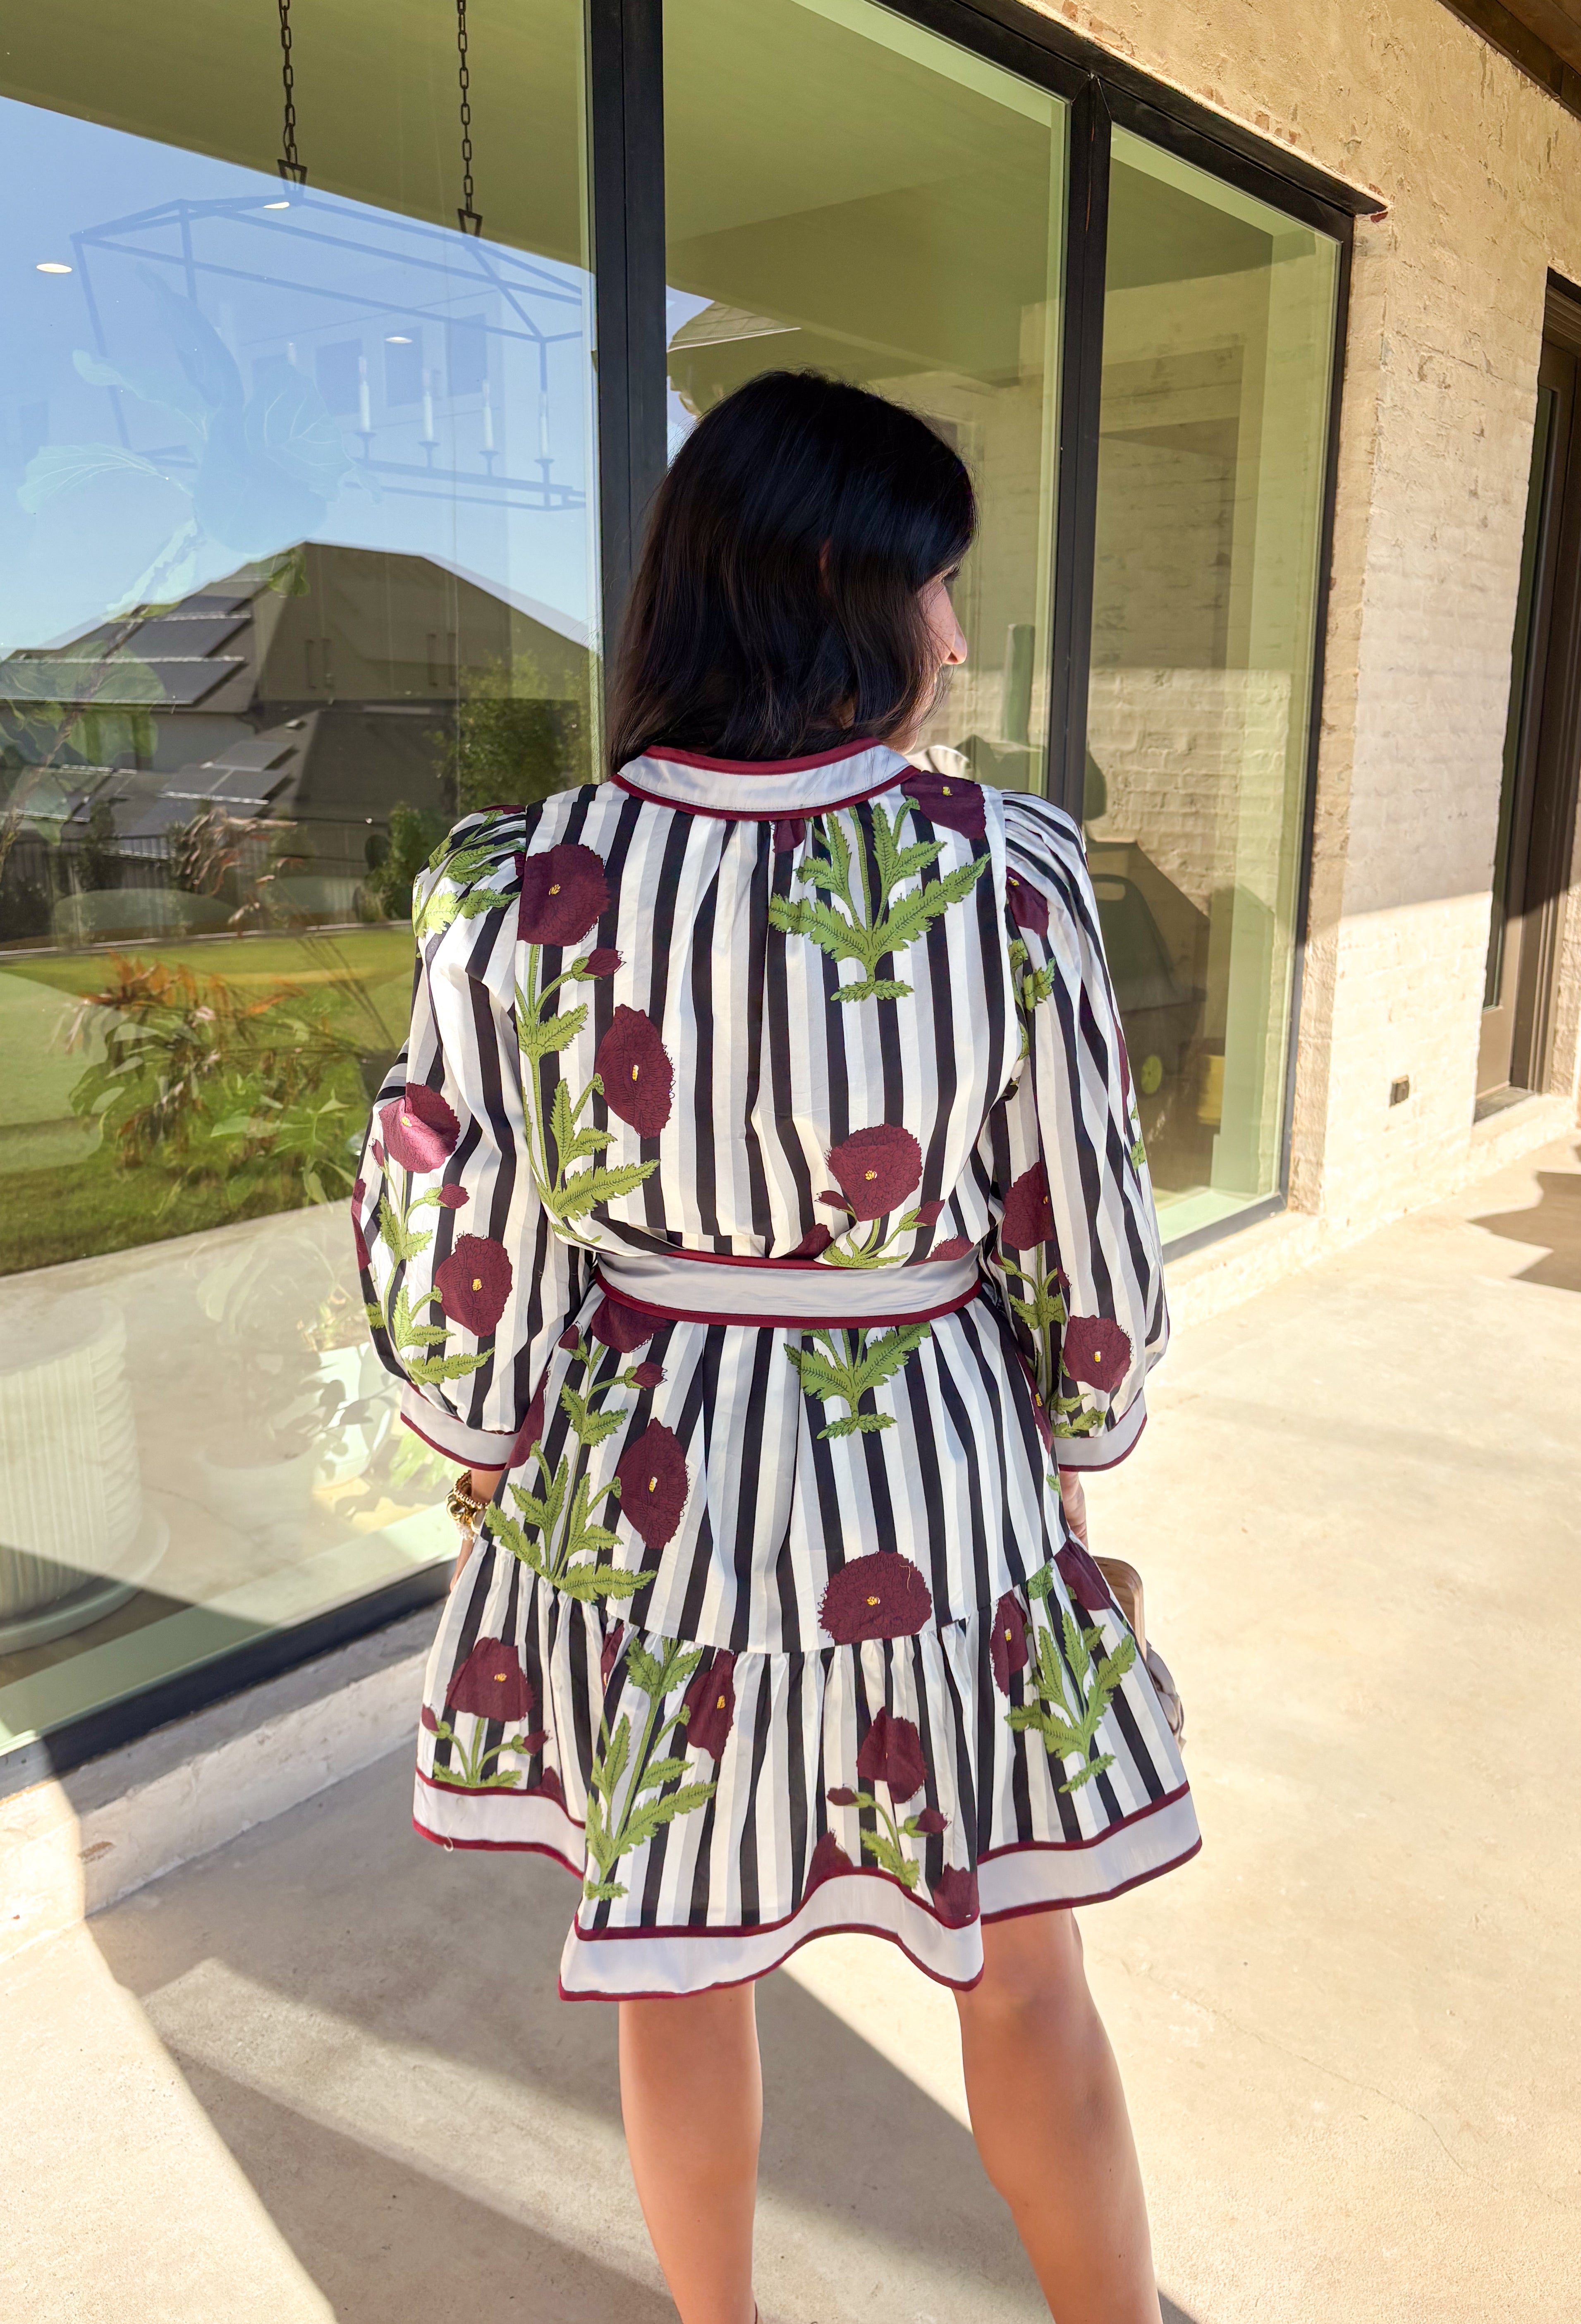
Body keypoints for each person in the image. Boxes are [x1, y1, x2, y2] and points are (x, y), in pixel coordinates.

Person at [354, 369, 1198, 2323]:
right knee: (1024, 1965)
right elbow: (1084, 1237)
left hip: (648, 1484)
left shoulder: (514, 883)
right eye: (936, 586)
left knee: (680, 1964)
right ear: (835, 581)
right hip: (933, 1450)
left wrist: (481, 1436)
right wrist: (1078, 1429)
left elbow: (463, 1243)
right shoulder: (1005, 871)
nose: (956, 639)